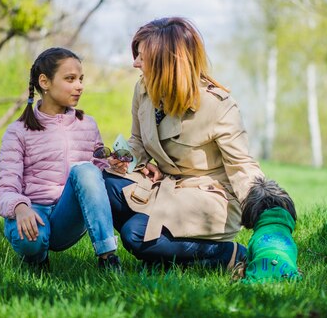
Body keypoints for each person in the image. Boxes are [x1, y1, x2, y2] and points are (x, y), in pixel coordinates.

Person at [105, 17, 265, 270]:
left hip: (209, 200)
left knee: (134, 235)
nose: (135, 63)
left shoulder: (218, 105)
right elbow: (138, 141)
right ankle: (165, 256)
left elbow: (241, 165)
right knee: (104, 182)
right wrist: (125, 158)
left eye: (142, 57)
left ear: (166, 63)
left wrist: (267, 211)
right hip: (166, 189)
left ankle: (228, 254)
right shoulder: (143, 89)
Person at [0, 47, 121, 271]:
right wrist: (20, 207)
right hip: (33, 214)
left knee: (86, 170)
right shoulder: (18, 131)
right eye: (70, 79)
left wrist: (113, 167)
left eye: (81, 79)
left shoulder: (88, 124)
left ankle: (108, 258)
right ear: (45, 82)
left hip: (68, 217)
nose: (79, 86)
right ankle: (38, 260)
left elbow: (97, 175)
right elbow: (4, 189)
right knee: (31, 240)